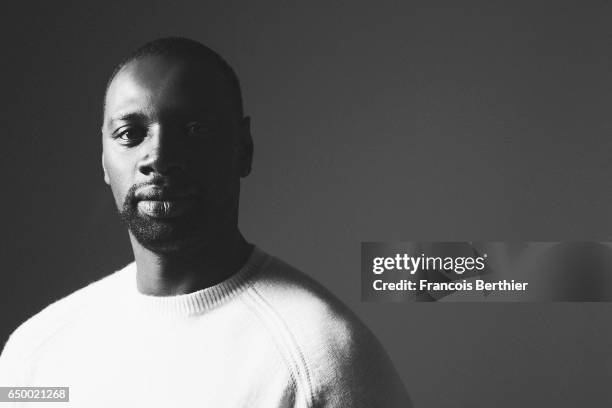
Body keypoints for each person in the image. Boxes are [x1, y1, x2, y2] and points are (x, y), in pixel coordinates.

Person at [0, 37, 412, 407]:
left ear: (243, 148)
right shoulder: (34, 352)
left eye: (194, 129)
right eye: (130, 133)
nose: (157, 157)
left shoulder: (319, 360)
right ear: (103, 158)